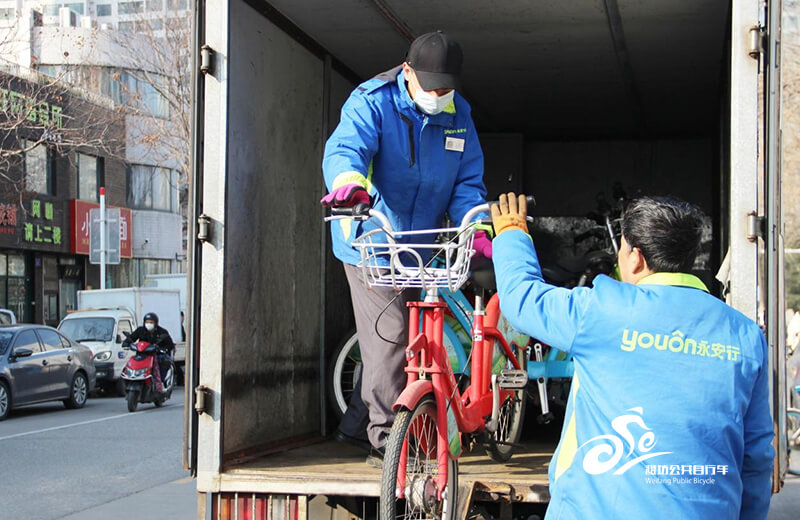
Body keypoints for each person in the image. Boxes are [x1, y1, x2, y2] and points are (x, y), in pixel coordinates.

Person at [490, 194, 774, 519]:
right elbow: (756, 458)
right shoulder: (745, 335)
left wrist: (512, 233)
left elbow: (523, 300)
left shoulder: (602, 310)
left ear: (635, 258)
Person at [321, 30, 492, 466]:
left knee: (405, 342)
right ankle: (387, 446)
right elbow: (345, 150)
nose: (438, 96)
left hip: (422, 245)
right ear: (408, 70)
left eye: (446, 88)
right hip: (372, 243)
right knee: (392, 335)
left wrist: (477, 228)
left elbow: (467, 183)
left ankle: (354, 424)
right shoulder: (372, 101)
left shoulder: (459, 115)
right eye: (430, 87)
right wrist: (348, 187)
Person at [123, 312, 176, 391]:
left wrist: (162, 349)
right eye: (147, 322)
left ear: (155, 323)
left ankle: (161, 382)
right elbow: (131, 338)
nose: (149, 324)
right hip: (142, 355)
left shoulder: (162, 332)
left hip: (156, 355)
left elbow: (170, 344)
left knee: (162, 361)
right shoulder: (140, 330)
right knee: (132, 361)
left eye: (151, 322)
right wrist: (126, 342)